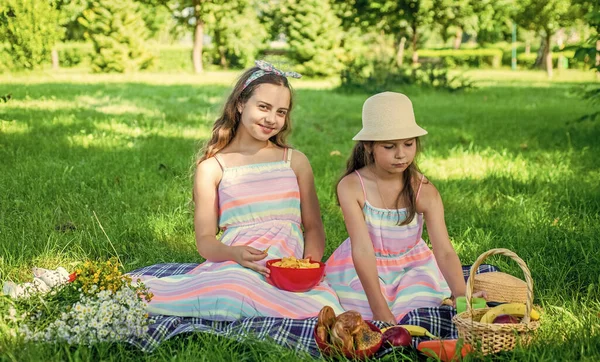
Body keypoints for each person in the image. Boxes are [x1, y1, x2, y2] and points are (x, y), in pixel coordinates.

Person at [136, 60, 343, 320]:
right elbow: (205, 242)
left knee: (325, 309)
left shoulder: (294, 161)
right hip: (237, 264)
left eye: (281, 112)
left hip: (287, 270)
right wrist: (234, 254)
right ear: (240, 104)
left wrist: (307, 267)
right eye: (264, 107)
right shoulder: (213, 168)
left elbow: (313, 227)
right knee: (234, 289)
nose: (272, 119)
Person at [325, 92, 481, 324]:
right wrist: (379, 309)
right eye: (389, 146)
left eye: (409, 144)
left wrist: (461, 294)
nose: (401, 154)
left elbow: (444, 250)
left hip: (411, 267)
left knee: (417, 304)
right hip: (363, 266)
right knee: (354, 306)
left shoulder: (423, 190)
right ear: (368, 145)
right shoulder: (351, 187)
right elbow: (362, 250)